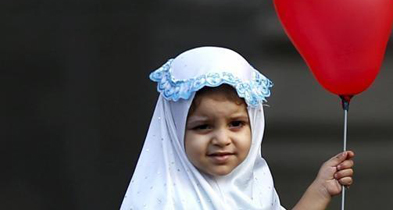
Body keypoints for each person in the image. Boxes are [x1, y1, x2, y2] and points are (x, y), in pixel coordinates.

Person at [120, 46, 354, 210]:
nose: (222, 139)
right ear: (174, 129)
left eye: (236, 124)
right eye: (203, 127)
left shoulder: (255, 186)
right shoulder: (163, 199)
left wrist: (320, 190)